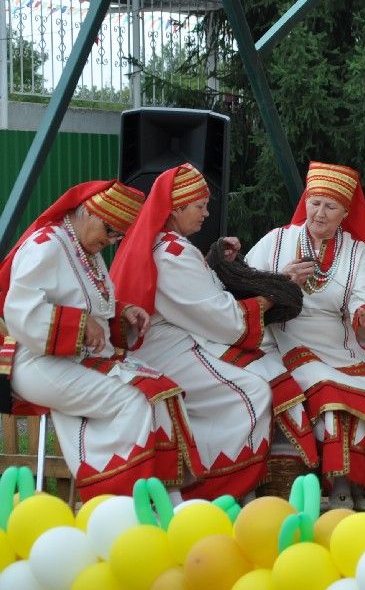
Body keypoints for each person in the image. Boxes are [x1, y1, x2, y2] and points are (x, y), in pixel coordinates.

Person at [0, 181, 201, 500]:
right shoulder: (47, 244)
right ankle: (116, 498)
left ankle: (167, 503)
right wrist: (80, 325)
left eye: (117, 237)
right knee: (132, 401)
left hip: (70, 358)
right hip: (36, 361)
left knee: (160, 392)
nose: (110, 241)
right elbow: (20, 311)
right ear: (88, 213)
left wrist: (122, 313)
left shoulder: (84, 249)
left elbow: (90, 306)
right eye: (109, 231)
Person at [110, 163, 274, 499]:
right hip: (165, 351)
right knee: (251, 392)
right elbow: (219, 317)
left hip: (173, 344)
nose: (206, 213)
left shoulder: (165, 244)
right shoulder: (172, 253)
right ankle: (214, 490)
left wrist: (216, 262)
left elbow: (197, 297)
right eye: (199, 206)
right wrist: (272, 297)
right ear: (176, 208)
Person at [246, 161, 365, 509]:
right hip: (289, 336)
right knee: (325, 386)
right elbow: (243, 287)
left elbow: (364, 297)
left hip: (341, 341)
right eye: (314, 202)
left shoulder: (358, 252)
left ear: (344, 212)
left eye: (330, 206)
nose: (319, 212)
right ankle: (339, 485)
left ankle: (355, 482)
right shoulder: (276, 241)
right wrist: (281, 280)